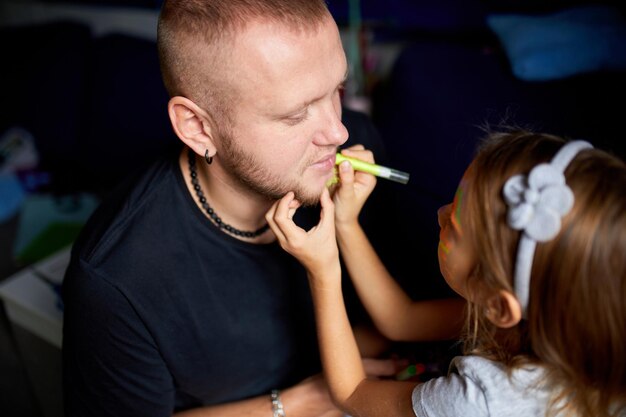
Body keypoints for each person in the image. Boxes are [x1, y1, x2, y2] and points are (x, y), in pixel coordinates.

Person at [61, 1, 404, 416]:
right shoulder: (116, 277)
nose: (338, 130)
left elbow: (400, 312)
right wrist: (303, 400)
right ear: (198, 127)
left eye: (337, 91)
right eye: (296, 115)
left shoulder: (354, 149)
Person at [267, 130, 626, 417]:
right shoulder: (547, 318)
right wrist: (345, 223)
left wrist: (323, 270)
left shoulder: (483, 402)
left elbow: (351, 392)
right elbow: (401, 320)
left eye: (453, 225)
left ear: (500, 307)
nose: (439, 213)